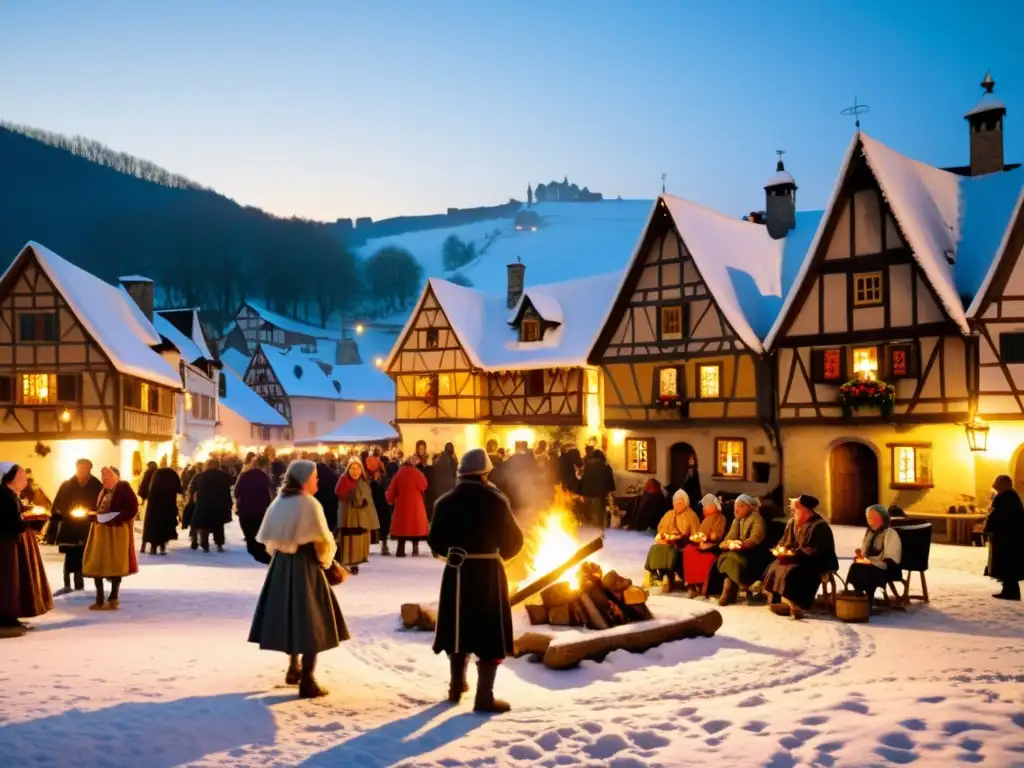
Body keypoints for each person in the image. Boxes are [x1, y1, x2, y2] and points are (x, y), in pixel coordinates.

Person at [428, 448, 524, 713]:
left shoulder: (445, 501)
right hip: (487, 572)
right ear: (485, 473)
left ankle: (456, 686)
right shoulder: (496, 500)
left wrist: (450, 553)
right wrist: (498, 555)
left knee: (459, 627)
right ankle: (484, 696)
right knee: (488, 631)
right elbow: (514, 541)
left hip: (457, 572)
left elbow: (434, 541)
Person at [248, 460, 349, 699]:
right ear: (304, 479)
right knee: (312, 621)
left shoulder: (279, 502)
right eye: (314, 477)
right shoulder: (309, 504)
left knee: (290, 616)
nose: (317, 481)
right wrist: (327, 562)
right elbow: (322, 542)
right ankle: (308, 680)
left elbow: (269, 542)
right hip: (305, 566)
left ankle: (294, 668)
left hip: (282, 566)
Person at [762, 495, 838, 619]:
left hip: (817, 561)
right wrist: (782, 549)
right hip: (798, 557)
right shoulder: (793, 522)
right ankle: (783, 601)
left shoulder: (819, 526)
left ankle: (798, 605)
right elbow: (784, 541)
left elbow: (815, 549)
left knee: (796, 571)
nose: (793, 512)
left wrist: (796, 552)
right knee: (776, 565)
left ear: (805, 509)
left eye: (796, 509)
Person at [0, 463, 53, 633]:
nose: (25, 482)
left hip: (11, 542)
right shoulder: (4, 496)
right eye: (22, 479)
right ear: (12, 478)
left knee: (12, 580)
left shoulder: (11, 494)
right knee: (8, 581)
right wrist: (33, 520)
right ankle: (5, 616)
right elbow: (10, 522)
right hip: (5, 544)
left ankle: (9, 615)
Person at [82, 467, 139, 611]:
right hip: (100, 530)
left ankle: (113, 598)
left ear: (115, 477)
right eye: (103, 478)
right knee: (97, 562)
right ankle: (99, 599)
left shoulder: (124, 489)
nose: (104, 480)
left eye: (106, 477)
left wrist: (116, 517)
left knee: (115, 563)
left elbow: (132, 509)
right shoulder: (103, 491)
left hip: (117, 531)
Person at [48, 459, 103, 595]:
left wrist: (92, 512)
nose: (82, 471)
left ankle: (80, 583)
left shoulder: (96, 485)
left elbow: (101, 502)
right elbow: (58, 502)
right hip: (70, 525)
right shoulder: (67, 485)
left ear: (90, 469)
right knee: (70, 553)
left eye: (85, 469)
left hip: (87, 525)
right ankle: (67, 582)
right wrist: (63, 512)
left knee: (83, 553)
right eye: (80, 468)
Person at [715, 493, 768, 606]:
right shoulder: (737, 521)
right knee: (728, 558)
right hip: (738, 551)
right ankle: (740, 588)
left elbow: (756, 538)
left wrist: (741, 545)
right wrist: (730, 544)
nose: (737, 509)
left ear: (750, 507)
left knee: (729, 558)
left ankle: (730, 590)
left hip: (752, 553)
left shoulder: (757, 519)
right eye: (736, 506)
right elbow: (728, 539)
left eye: (741, 506)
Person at [644, 489, 700, 592]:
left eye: (681, 503)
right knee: (655, 548)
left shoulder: (691, 515)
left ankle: (669, 575)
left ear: (686, 503)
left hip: (683, 543)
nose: (678, 506)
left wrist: (681, 536)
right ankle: (660, 573)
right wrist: (665, 535)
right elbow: (661, 529)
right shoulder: (669, 514)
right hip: (668, 541)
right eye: (676, 503)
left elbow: (695, 533)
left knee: (671, 551)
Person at [846, 504, 902, 605]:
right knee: (856, 566)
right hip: (870, 563)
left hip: (885, 568)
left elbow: (892, 556)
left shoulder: (890, 533)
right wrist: (861, 557)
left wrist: (875, 562)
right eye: (869, 518)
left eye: (874, 518)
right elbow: (864, 552)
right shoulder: (869, 533)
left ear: (883, 518)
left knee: (866, 570)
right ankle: (858, 592)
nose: (871, 521)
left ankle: (869, 597)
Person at [335, 458, 379, 574]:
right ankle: (345, 562)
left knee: (358, 540)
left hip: (361, 518)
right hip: (348, 518)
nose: (356, 471)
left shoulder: (363, 482)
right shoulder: (343, 480)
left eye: (358, 468)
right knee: (348, 539)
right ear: (348, 469)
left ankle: (355, 562)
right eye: (353, 469)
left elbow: (369, 500)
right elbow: (340, 494)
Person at [985, 475, 1024, 600]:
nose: (994, 484)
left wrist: (990, 527)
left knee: (1007, 563)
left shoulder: (1007, 497)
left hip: (1007, 537)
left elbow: (999, 515)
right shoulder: (1008, 496)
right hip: (1007, 535)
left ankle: (1011, 592)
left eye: (997, 482)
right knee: (1006, 563)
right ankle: (1008, 590)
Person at [681, 493, 728, 598]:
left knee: (697, 554)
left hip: (713, 546)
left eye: (705, 507)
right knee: (688, 550)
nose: (703, 509)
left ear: (712, 507)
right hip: (703, 543)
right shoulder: (707, 518)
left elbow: (717, 535)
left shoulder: (720, 518)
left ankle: (701, 584)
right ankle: (692, 583)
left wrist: (707, 537)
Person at [235, 456, 276, 565]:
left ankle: (261, 558)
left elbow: (236, 492)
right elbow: (271, 494)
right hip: (260, 512)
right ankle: (266, 561)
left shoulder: (244, 475)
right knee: (259, 539)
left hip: (245, 511)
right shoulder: (265, 477)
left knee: (250, 540)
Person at [386, 457, 429, 557]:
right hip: (416, 503)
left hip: (402, 503)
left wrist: (389, 499)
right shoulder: (417, 473)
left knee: (403, 528)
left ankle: (400, 550)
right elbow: (424, 485)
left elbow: (392, 489)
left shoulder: (399, 473)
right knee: (415, 526)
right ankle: (415, 547)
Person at [190, 458, 234, 553]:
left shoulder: (201, 476)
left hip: (204, 503)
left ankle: (205, 545)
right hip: (219, 503)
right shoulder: (223, 476)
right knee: (219, 525)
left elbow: (193, 487)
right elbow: (230, 483)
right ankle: (219, 544)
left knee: (204, 525)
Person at [141, 465, 181, 555]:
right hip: (168, 505)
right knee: (165, 526)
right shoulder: (172, 475)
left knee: (153, 526)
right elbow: (179, 488)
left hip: (154, 507)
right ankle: (162, 546)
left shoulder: (156, 481)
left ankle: (153, 547)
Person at [579, 448, 615, 527]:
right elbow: (610, 480)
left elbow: (583, 479)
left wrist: (581, 491)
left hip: (587, 493)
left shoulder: (587, 467)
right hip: (600, 494)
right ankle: (599, 530)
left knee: (589, 513)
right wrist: (611, 490)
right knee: (599, 513)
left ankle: (589, 531)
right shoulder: (606, 467)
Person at [430, 443, 458, 507]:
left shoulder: (438, 459)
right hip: (449, 489)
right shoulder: (452, 460)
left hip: (438, 489)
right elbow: (455, 472)